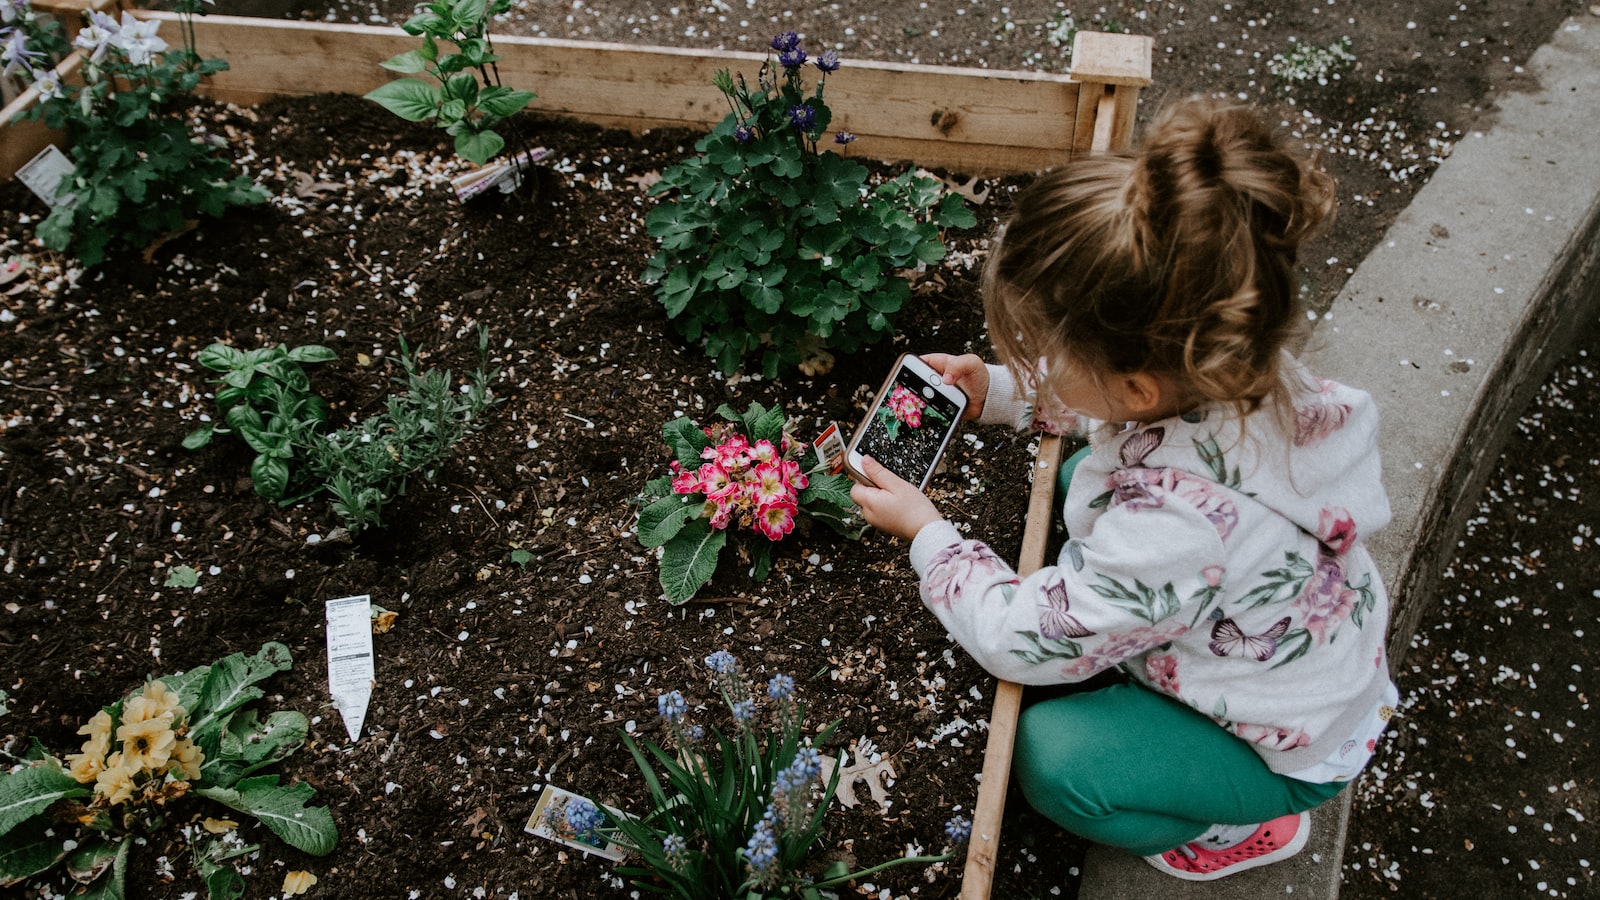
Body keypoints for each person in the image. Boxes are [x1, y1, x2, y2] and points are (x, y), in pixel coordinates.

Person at [849, 97, 1398, 881]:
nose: (1035, 356)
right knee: (1081, 476)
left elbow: (1020, 639)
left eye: (1044, 349)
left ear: (1138, 385)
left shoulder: (1174, 529)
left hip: (1279, 744)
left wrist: (929, 534)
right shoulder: (1242, 367)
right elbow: (1120, 412)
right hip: (1294, 654)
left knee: (1053, 759)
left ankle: (1235, 827)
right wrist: (1001, 392)